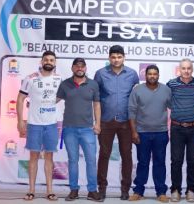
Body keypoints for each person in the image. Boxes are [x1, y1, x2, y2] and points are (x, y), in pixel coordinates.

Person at [94, 45, 139, 200]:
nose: (116, 59)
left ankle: (125, 189)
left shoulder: (132, 74)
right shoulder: (100, 74)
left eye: (119, 57)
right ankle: (102, 189)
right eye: (113, 57)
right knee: (104, 154)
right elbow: (96, 99)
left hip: (126, 122)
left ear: (124, 57)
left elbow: (136, 99)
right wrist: (97, 122)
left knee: (126, 155)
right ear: (109, 58)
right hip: (106, 121)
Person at [16, 50, 61, 201]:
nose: (49, 62)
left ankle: (49, 191)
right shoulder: (30, 79)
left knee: (49, 157)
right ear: (41, 62)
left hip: (51, 125)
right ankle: (31, 190)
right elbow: (20, 99)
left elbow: (64, 97)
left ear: (55, 63)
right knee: (33, 157)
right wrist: (20, 120)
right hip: (34, 124)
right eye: (46, 59)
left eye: (52, 60)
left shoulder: (59, 79)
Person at [56, 58, 102, 202]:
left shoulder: (93, 84)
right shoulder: (65, 84)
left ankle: (92, 191)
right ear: (72, 68)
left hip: (88, 129)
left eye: (82, 66)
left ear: (85, 68)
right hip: (69, 129)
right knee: (73, 161)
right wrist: (35, 102)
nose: (79, 68)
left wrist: (98, 124)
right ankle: (74, 190)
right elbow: (53, 100)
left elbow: (96, 105)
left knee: (91, 161)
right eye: (77, 66)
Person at [128, 65, 171, 203]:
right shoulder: (137, 90)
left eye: (155, 74)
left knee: (159, 163)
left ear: (158, 75)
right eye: (150, 74)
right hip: (142, 133)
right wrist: (134, 132)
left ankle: (161, 192)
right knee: (143, 163)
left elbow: (174, 107)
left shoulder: (166, 90)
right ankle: (138, 191)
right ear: (145, 75)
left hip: (161, 133)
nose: (152, 76)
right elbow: (131, 112)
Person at [167, 58, 194, 203]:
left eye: (189, 68)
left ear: (192, 69)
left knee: (193, 160)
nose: (186, 71)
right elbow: (162, 97)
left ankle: (191, 190)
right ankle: (175, 190)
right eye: (183, 68)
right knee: (176, 160)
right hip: (177, 127)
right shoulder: (171, 84)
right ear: (179, 69)